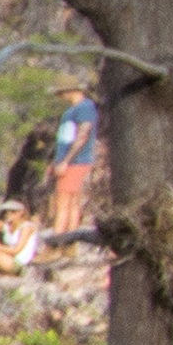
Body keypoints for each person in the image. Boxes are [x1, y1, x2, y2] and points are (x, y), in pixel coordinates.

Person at [44, 80, 107, 243]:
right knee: (69, 203)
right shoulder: (71, 110)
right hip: (69, 161)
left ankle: (59, 244)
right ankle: (67, 244)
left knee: (64, 203)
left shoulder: (84, 108)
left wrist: (66, 161)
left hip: (76, 162)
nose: (60, 96)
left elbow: (82, 136)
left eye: (61, 93)